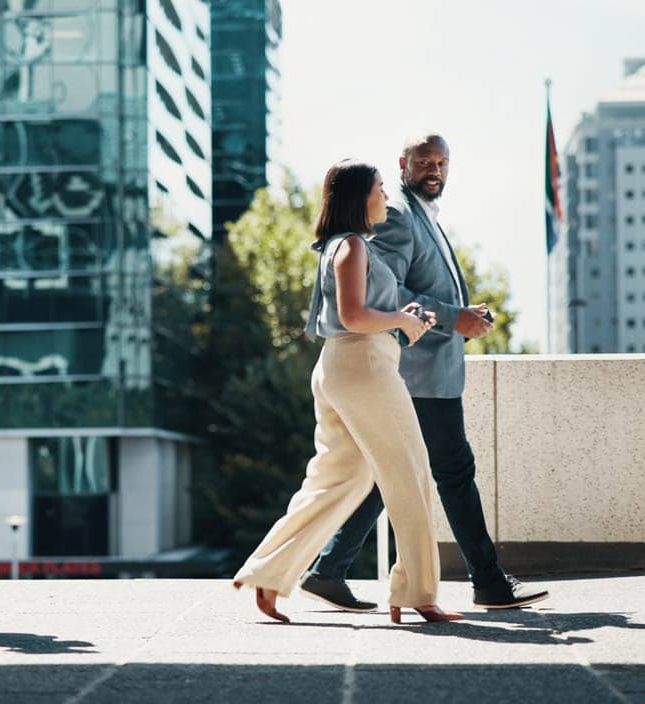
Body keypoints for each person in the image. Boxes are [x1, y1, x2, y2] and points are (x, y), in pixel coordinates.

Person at [300, 134, 550, 612]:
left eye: (442, 161)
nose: (435, 169)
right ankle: (489, 583)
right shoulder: (393, 215)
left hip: (422, 368)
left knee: (388, 474)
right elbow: (387, 291)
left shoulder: (422, 214)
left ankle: (328, 570)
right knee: (452, 470)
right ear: (403, 164)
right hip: (412, 370)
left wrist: (461, 311)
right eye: (425, 161)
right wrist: (453, 318)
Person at [233, 159, 461, 625]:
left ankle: (267, 573)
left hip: (342, 365)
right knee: (412, 473)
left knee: (341, 478)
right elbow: (356, 317)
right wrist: (401, 319)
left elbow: (354, 314)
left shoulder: (344, 245)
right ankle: (418, 594)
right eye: (379, 188)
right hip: (364, 365)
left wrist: (405, 318)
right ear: (361, 197)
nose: (385, 196)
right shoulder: (354, 246)